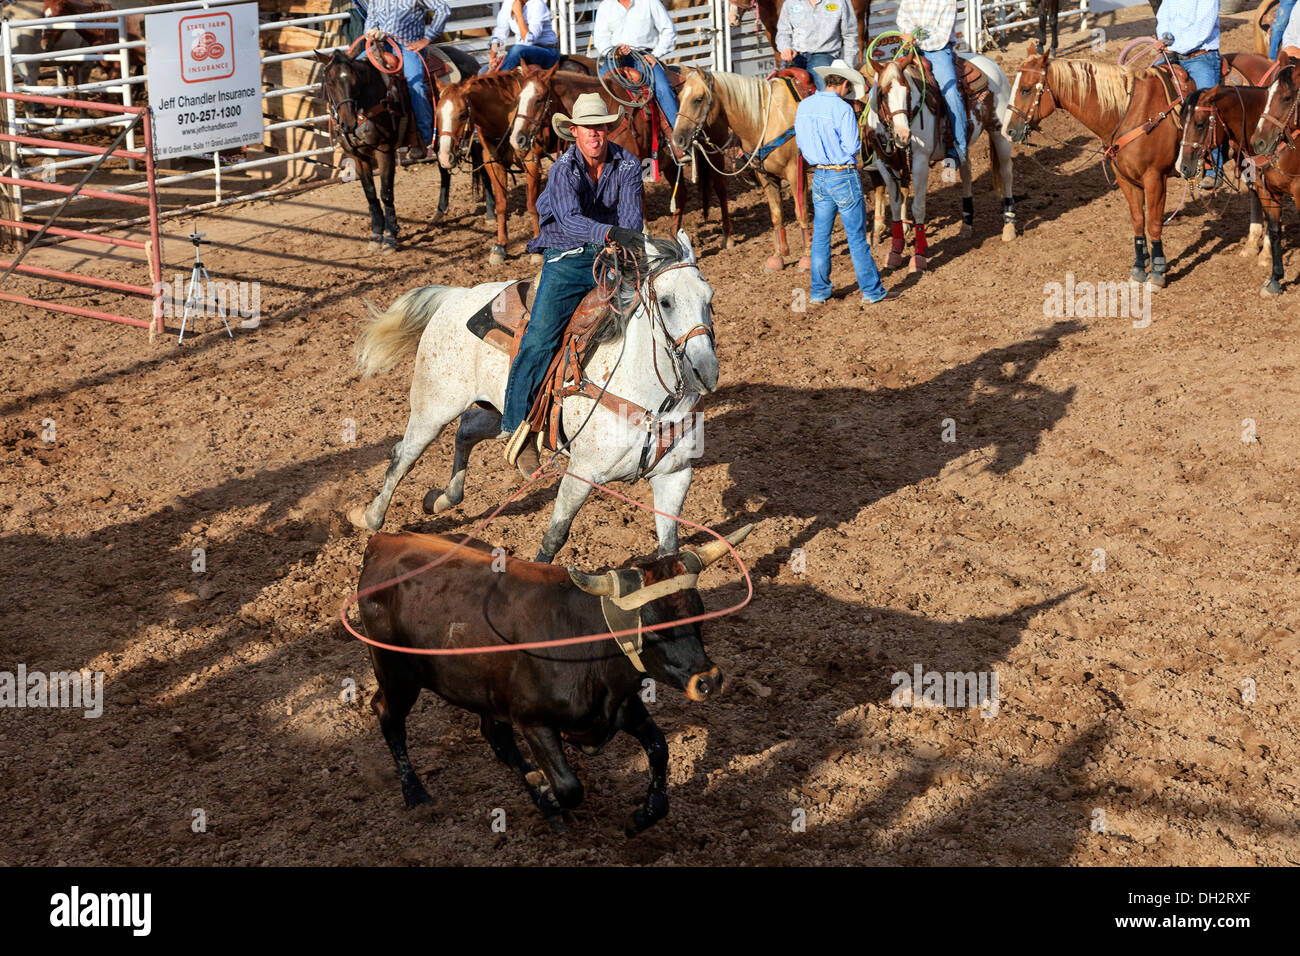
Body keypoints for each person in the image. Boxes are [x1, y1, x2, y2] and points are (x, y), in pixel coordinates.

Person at [501, 93, 647, 478]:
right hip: (566, 256)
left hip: (610, 254)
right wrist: (611, 231)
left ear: (606, 129)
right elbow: (568, 220)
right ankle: (517, 428)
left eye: (600, 127)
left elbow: (632, 219)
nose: (595, 135)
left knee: (649, 314)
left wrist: (623, 239)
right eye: (588, 128)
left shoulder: (628, 164)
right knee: (541, 337)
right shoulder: (564, 169)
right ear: (575, 132)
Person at [794, 60, 897, 307]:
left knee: (820, 236)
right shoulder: (842, 109)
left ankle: (819, 291)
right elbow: (852, 147)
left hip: (819, 175)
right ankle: (871, 291)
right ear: (843, 83)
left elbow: (802, 145)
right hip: (843, 174)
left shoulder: (804, 106)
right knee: (857, 237)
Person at [361, 0, 451, 160]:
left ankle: (427, 139)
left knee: (415, 85)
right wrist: (370, 31)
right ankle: (357, 133)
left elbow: (443, 9)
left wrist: (427, 39)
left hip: (407, 46)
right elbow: (371, 18)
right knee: (355, 70)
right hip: (382, 45)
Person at [1155, 0, 1223, 186]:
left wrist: (1173, 47)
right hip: (1172, 52)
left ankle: (1215, 167)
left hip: (1200, 56)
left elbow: (1203, 29)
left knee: (1206, 105)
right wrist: (1164, 38)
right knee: (1148, 85)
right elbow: (1163, 17)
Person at [592, 0, 682, 136]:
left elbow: (669, 30)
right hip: (614, 58)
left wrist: (655, 54)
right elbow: (600, 39)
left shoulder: (650, 2)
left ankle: (678, 136)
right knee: (596, 91)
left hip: (643, 57)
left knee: (663, 89)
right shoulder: (606, 5)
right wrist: (614, 52)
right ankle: (588, 135)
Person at [896, 0, 965, 172]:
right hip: (911, 47)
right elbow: (902, 20)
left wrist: (916, 37)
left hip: (938, 51)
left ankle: (958, 148)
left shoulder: (947, 2)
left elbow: (941, 36)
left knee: (950, 93)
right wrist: (910, 36)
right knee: (890, 84)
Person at [774, 0, 860, 91]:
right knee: (778, 91)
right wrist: (786, 48)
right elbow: (783, 33)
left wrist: (848, 66)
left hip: (824, 55)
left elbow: (850, 35)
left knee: (827, 90)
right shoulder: (790, 3)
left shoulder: (840, 2)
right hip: (795, 55)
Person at [486, 0, 560, 72]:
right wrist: (492, 59)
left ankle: (498, 79)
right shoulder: (508, 3)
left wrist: (519, 14)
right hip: (522, 53)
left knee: (516, 50)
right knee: (482, 72)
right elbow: (499, 34)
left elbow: (529, 40)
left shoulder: (538, 4)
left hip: (547, 51)